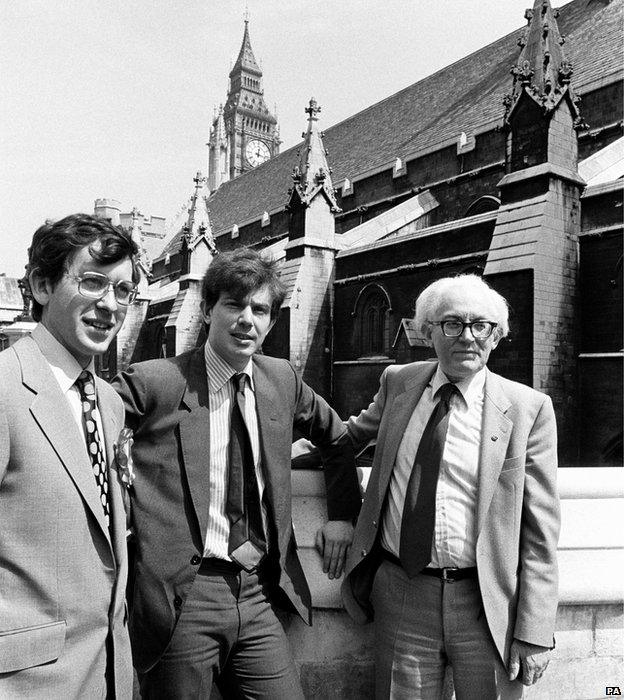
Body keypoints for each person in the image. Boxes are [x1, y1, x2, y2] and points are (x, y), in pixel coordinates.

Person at [113, 248, 361, 699]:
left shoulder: (280, 378)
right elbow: (80, 422)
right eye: (234, 304)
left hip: (260, 590)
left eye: (260, 309)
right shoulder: (157, 381)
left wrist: (343, 515)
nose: (246, 319)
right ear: (208, 310)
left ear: (271, 321)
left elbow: (337, 438)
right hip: (183, 596)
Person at [341, 274, 560, 699]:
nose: (468, 337)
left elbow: (540, 533)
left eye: (482, 326)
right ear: (427, 331)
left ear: (497, 337)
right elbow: (345, 439)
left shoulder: (528, 409)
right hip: (403, 592)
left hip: (488, 602)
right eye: (452, 324)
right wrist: (270, 446)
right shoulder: (399, 382)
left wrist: (534, 629)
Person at [0, 214, 139, 698]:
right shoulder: (3, 388)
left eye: (123, 291)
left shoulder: (109, 401)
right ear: (41, 284)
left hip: (109, 675)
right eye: (93, 282)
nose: (110, 305)